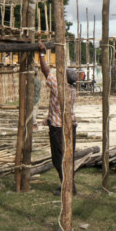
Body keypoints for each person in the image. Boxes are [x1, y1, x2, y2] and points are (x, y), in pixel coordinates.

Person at [37, 41, 77, 194]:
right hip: (71, 125)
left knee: (58, 158)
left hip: (59, 127)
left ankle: (67, 188)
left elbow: (46, 71)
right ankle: (69, 186)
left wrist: (41, 53)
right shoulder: (73, 90)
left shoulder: (59, 86)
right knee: (69, 157)